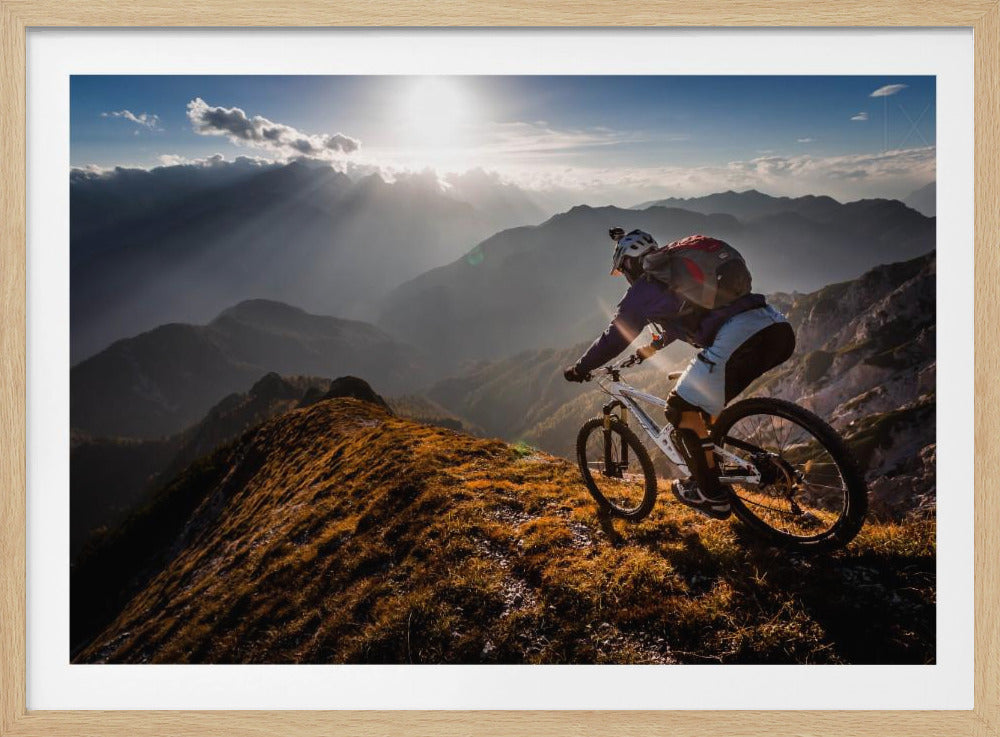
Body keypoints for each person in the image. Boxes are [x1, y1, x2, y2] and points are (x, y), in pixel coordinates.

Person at [563, 228, 795, 519]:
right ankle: (715, 468)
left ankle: (712, 496)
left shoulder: (643, 289)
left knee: (679, 408)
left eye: (624, 270)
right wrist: (650, 349)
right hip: (775, 327)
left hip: (738, 338)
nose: (626, 277)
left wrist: (581, 367)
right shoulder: (676, 275)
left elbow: (616, 336)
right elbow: (679, 320)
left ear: (630, 264)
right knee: (700, 411)